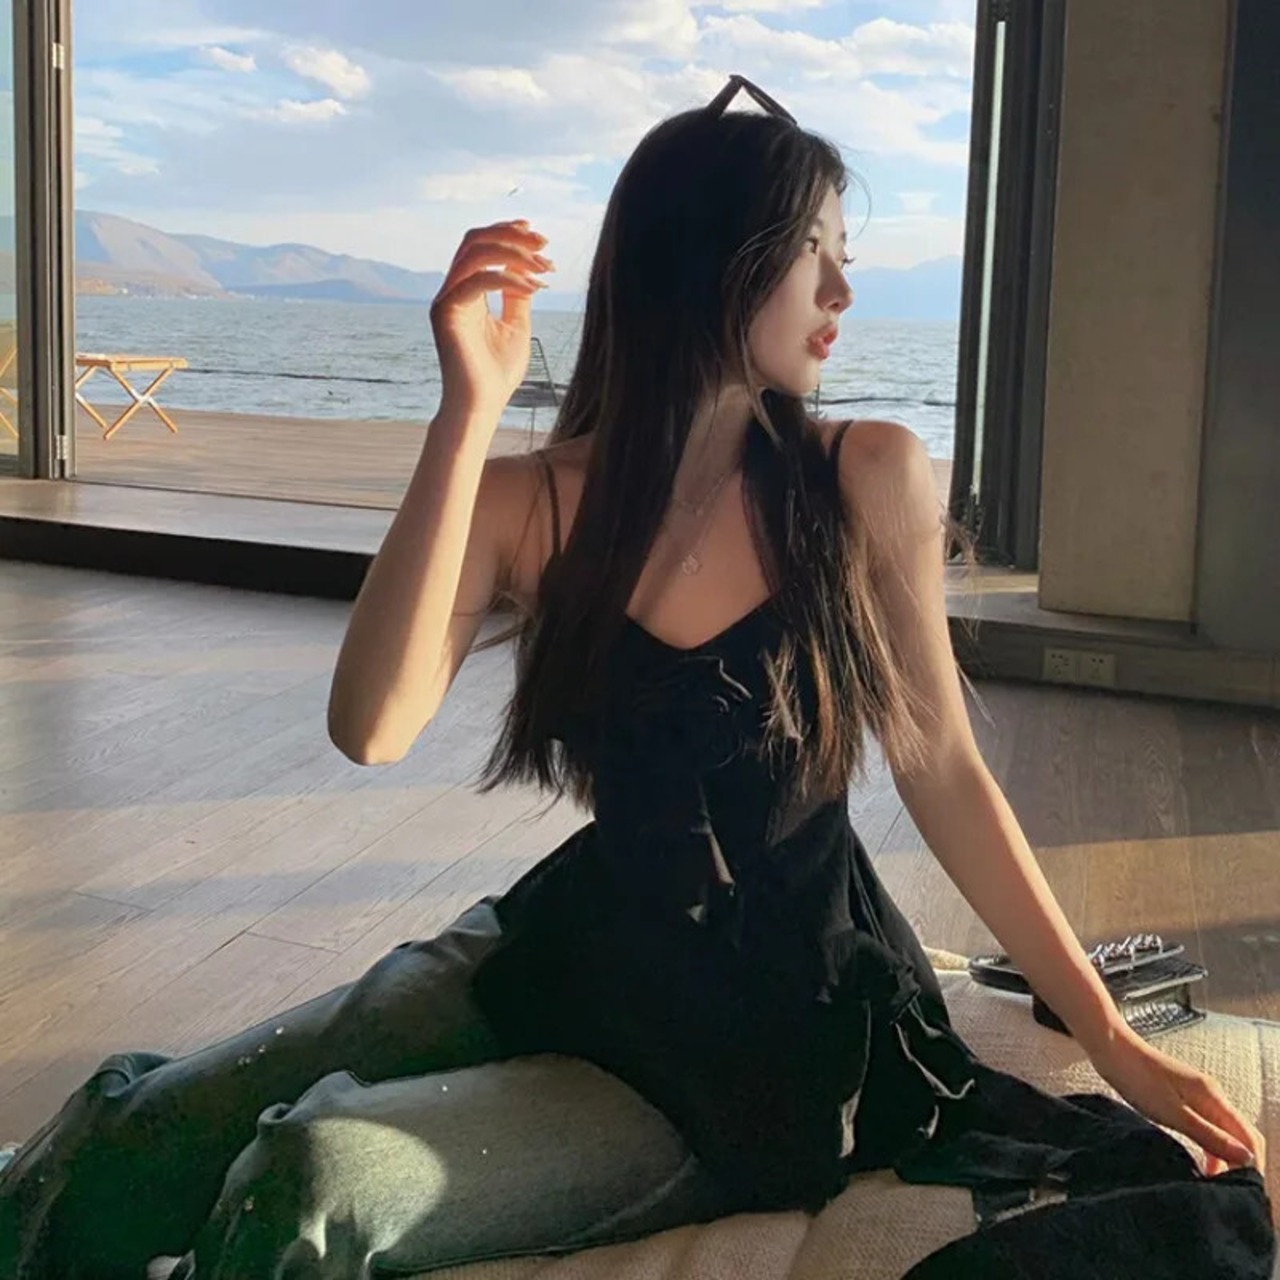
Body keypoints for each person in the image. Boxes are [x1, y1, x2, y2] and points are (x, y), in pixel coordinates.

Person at [0, 75, 1271, 1280]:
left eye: (844, 251)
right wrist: (463, 415)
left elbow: (940, 766)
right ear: (710, 256)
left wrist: (1107, 1034)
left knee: (312, 1178)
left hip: (758, 1039)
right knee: (143, 1120)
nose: (842, 286)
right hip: (573, 938)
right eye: (813, 249)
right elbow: (371, 726)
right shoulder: (528, 501)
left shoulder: (863, 473)